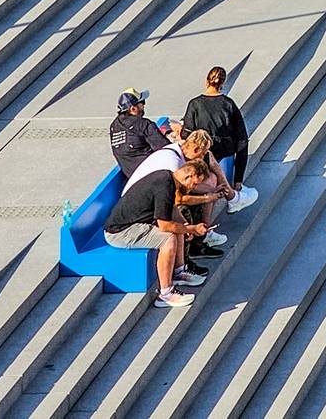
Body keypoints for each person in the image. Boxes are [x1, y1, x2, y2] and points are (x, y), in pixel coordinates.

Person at [103, 159, 211, 309]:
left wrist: (186, 226)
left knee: (178, 227)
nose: (194, 187)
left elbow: (171, 209)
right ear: (189, 176)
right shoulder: (165, 185)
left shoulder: (167, 178)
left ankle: (179, 272)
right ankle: (165, 294)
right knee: (168, 239)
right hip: (120, 232)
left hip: (132, 224)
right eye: (195, 184)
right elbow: (165, 226)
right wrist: (192, 229)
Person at [183, 65, 259, 213]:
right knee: (218, 184)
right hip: (225, 155)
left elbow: (186, 135)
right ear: (222, 84)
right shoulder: (228, 104)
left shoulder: (195, 104)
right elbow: (242, 140)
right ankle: (233, 198)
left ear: (207, 81)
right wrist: (238, 179)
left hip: (201, 156)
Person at [109, 89, 177, 176]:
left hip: (133, 177)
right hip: (156, 174)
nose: (144, 105)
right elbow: (167, 150)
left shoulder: (113, 127)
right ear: (133, 109)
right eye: (142, 102)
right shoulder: (144, 124)